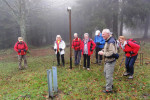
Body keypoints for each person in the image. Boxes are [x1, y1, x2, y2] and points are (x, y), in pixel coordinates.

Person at [98, 29, 118, 93]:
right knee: (106, 73)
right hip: (107, 61)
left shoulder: (111, 42)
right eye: (102, 34)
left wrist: (102, 53)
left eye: (104, 34)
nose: (102, 35)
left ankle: (108, 90)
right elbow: (106, 48)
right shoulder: (107, 40)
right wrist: (103, 50)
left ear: (108, 34)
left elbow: (111, 53)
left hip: (110, 61)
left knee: (108, 75)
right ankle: (110, 85)